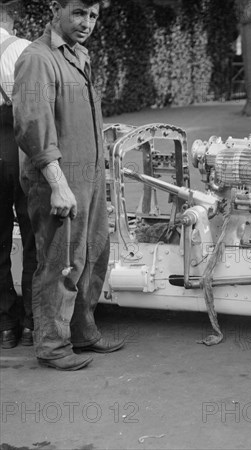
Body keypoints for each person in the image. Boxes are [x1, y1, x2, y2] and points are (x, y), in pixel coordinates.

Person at [13, 0, 124, 371]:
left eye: (93, 15)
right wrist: (58, 185)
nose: (86, 22)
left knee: (93, 256)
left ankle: (82, 331)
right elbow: (32, 126)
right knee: (59, 263)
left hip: (89, 178)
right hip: (58, 182)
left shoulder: (80, 55)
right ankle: (52, 345)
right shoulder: (37, 58)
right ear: (56, 9)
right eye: (78, 12)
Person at [0, 0, 35, 349]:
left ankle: (4, 325)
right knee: (31, 232)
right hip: (19, 144)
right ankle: (32, 322)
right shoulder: (22, 48)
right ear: (8, 19)